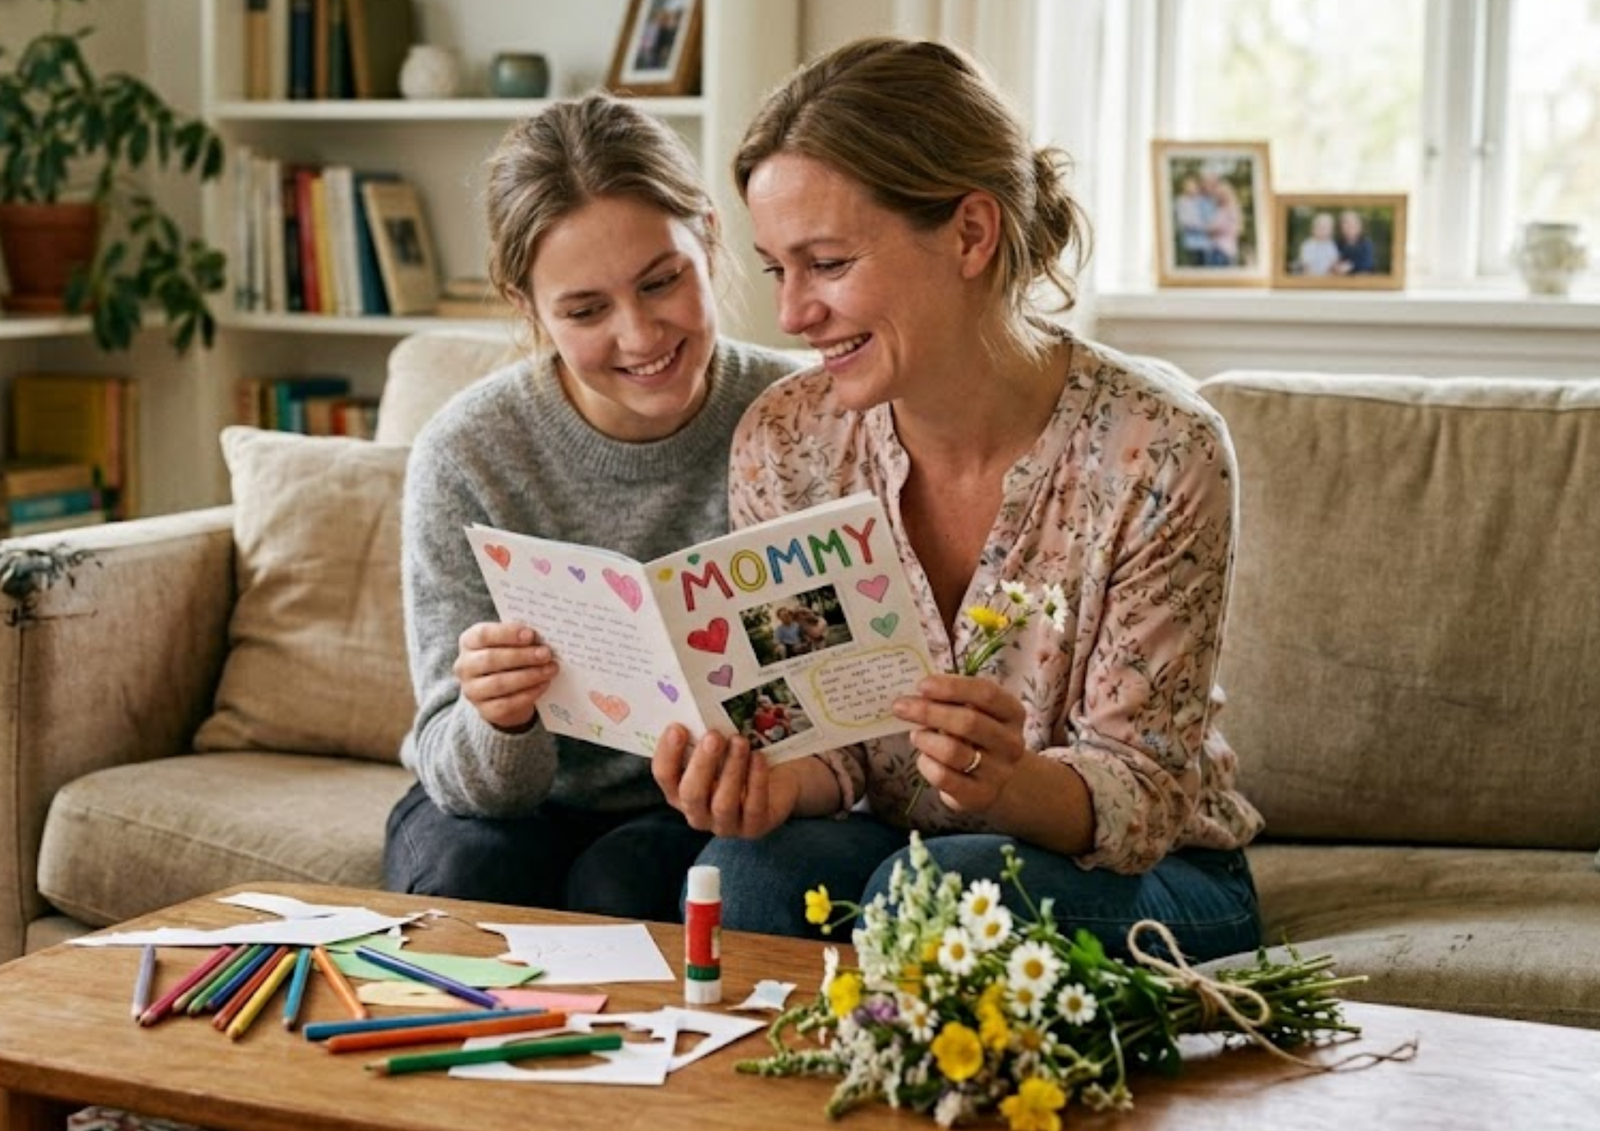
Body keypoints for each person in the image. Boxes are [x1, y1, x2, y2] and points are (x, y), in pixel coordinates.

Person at [652, 36, 1264, 964]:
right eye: (779, 269)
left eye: (827, 262)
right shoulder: (787, 440)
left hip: (1143, 869)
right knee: (749, 871)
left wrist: (1008, 784)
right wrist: (775, 783)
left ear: (971, 234)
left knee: (935, 893)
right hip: (903, 846)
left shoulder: (1160, 449)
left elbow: (1143, 794)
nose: (791, 316)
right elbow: (836, 743)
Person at [384, 93, 805, 921]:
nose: (641, 335)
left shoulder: (799, 416)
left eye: (663, 282)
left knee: (625, 884)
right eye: (585, 310)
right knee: (470, 875)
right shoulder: (467, 453)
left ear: (710, 238)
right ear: (526, 306)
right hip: (505, 806)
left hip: (692, 809)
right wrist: (498, 718)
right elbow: (455, 767)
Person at [1173, 174, 1215, 267]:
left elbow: (1209, 217)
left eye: (1194, 186)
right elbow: (1184, 222)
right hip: (1190, 243)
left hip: (1205, 244)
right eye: (1188, 186)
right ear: (1184, 188)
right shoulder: (1181, 201)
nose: (1192, 189)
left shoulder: (1201, 200)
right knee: (1193, 266)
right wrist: (1204, 227)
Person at [1294, 211, 1340, 276]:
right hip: (1311, 277)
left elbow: (1334, 263)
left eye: (1327, 228)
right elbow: (1306, 267)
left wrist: (1336, 269)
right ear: (1313, 229)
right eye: (1320, 227)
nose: (1323, 231)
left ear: (1331, 231)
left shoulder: (1331, 244)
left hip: (1327, 277)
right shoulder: (1308, 245)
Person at [1333, 209, 1376, 274]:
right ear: (1341, 227)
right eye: (1345, 224)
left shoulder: (1366, 243)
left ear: (1359, 226)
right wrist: (1335, 266)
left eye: (1353, 224)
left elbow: (1368, 263)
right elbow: (1333, 260)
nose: (1349, 227)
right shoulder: (1337, 243)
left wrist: (1351, 266)